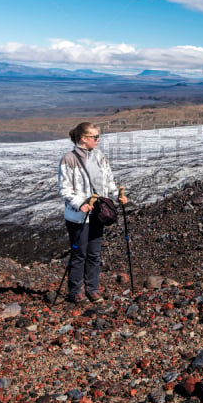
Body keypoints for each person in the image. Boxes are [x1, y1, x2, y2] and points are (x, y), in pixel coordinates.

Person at [58, 122, 128, 305]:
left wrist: (117, 196)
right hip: (78, 216)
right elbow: (64, 189)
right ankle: (75, 291)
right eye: (95, 137)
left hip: (98, 213)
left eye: (98, 137)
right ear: (83, 139)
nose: (98, 140)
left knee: (94, 254)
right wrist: (80, 204)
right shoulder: (69, 159)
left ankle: (93, 290)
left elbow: (109, 181)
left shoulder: (100, 157)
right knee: (79, 253)